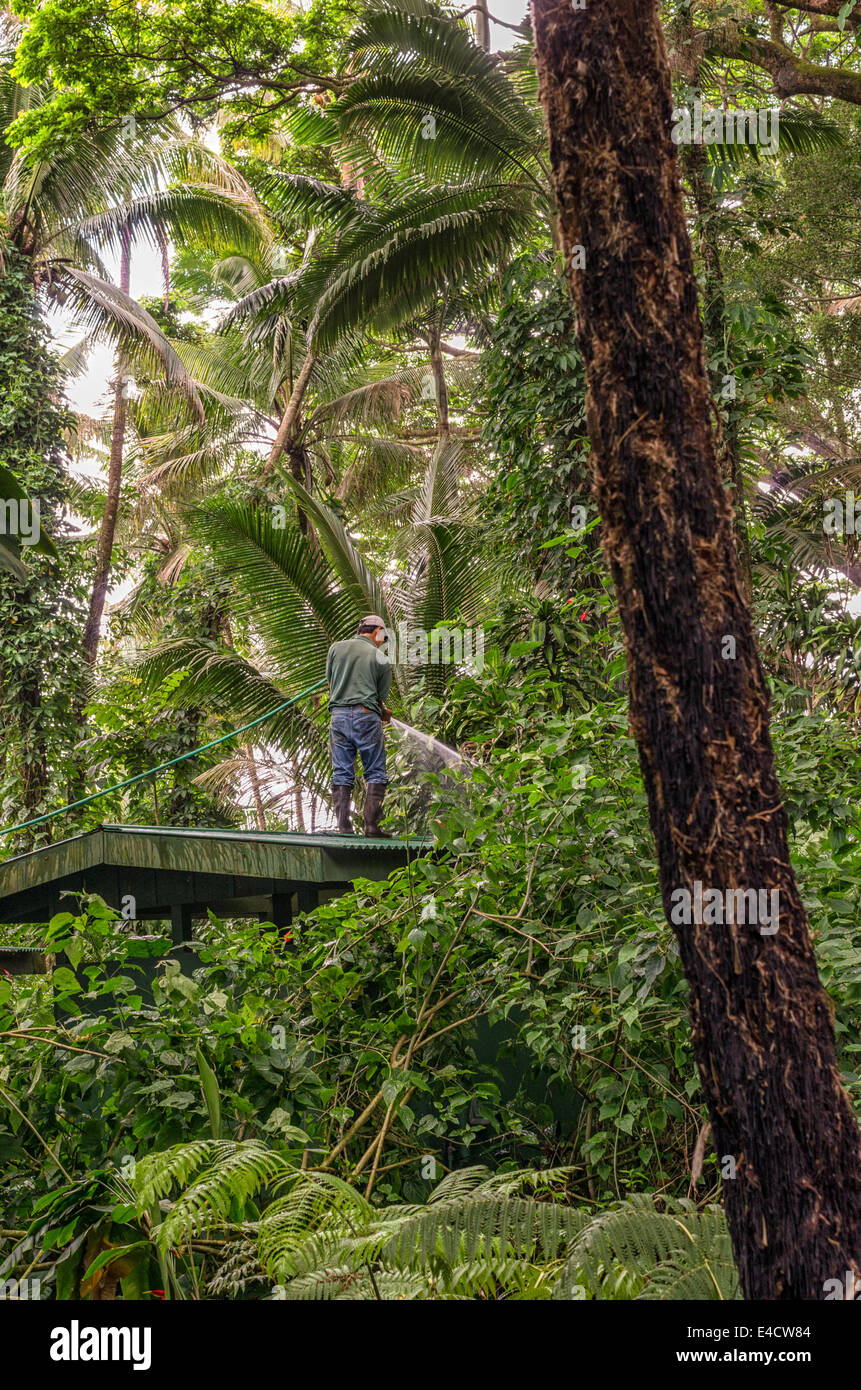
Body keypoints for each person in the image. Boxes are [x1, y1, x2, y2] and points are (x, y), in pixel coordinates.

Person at [326, 615, 393, 836]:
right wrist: (384, 712)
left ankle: (344, 827)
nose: (383, 642)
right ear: (377, 632)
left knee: (342, 772)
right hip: (366, 716)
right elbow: (379, 697)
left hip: (339, 716)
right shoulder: (379, 656)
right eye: (383, 637)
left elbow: (331, 682)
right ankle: (372, 827)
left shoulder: (336, 648)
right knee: (375, 771)